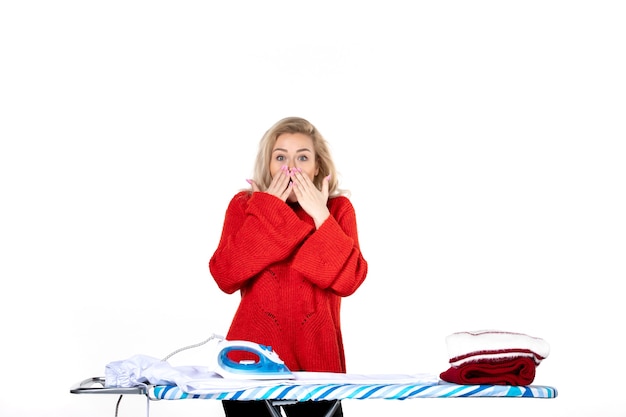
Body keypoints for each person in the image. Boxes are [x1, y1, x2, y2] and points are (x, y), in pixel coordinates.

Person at [209, 116, 368, 417]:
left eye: (302, 157)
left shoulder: (338, 209)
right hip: (250, 362)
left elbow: (349, 281)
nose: (290, 168)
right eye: (280, 157)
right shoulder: (245, 206)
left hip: (318, 362)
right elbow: (224, 274)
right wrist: (267, 210)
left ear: (318, 167)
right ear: (268, 165)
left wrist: (321, 216)